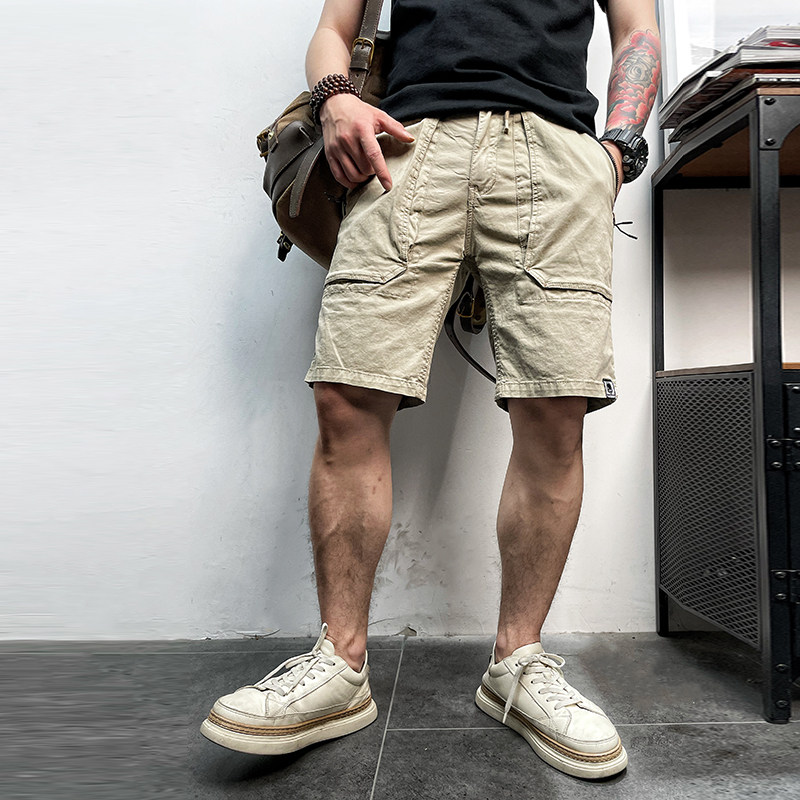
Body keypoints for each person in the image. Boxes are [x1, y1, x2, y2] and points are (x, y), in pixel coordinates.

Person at [201, 0, 660, 780]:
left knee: (556, 406)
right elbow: (333, 29)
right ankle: (340, 664)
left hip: (557, 152)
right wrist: (335, 99)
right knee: (348, 395)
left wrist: (616, 149)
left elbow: (638, 31)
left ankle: (518, 662)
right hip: (407, 146)